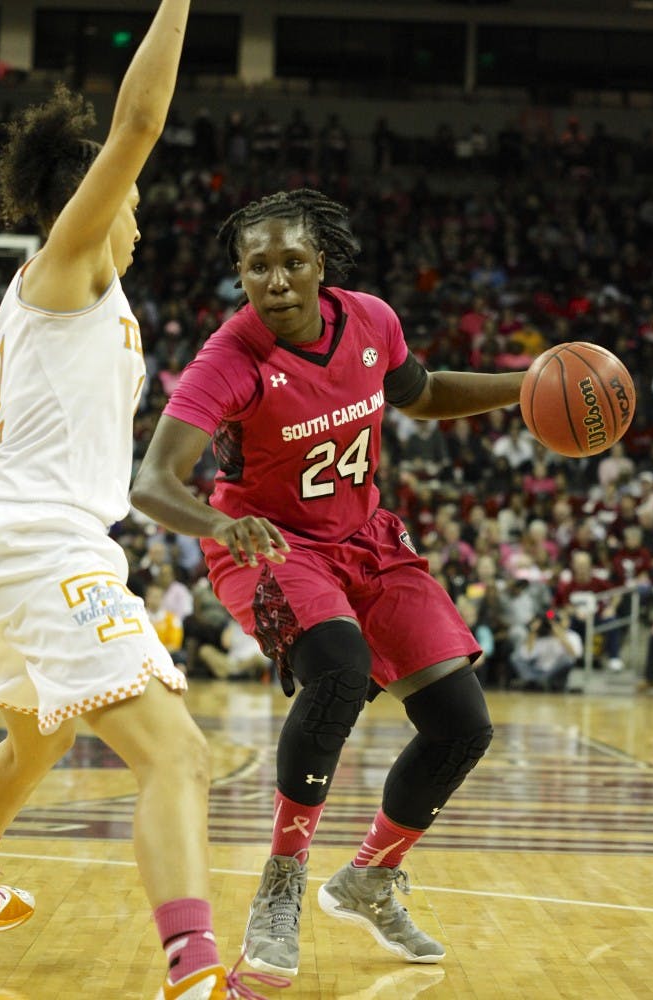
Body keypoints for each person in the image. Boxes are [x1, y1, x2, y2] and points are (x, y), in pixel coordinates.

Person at [131, 188, 526, 978]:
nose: (274, 281)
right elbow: (152, 483)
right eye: (256, 268)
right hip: (270, 545)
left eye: (291, 263)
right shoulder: (230, 356)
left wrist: (527, 383)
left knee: (460, 725)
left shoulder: (372, 319)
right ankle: (280, 884)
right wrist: (217, 526)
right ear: (239, 276)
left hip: (367, 539)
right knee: (338, 671)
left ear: (323, 265)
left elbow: (422, 393)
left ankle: (371, 879)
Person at [0, 5, 284, 999]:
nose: (138, 212)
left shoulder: (71, 296)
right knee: (179, 755)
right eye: (122, 199)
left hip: (22, 542)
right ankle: (194, 972)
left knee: (40, 731)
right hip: (43, 548)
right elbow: (137, 127)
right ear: (86, 198)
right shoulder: (66, 266)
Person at [510, 609, 582, 692]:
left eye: (556, 621)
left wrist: (560, 635)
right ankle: (532, 680)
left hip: (554, 671)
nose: (552, 625)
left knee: (567, 659)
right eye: (550, 623)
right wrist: (533, 633)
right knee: (515, 657)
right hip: (536, 670)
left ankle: (540, 682)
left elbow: (575, 655)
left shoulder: (571, 636)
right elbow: (526, 656)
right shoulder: (540, 636)